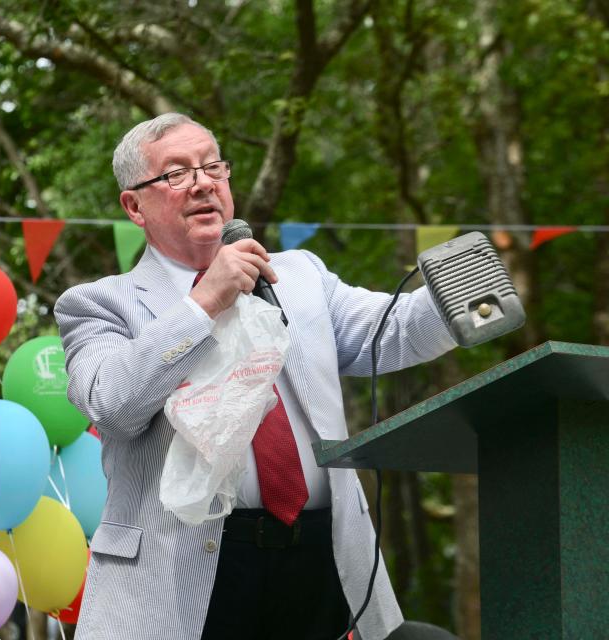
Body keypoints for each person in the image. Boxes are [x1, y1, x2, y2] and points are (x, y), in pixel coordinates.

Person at [54, 113, 456, 640]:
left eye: (212, 167)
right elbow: (113, 405)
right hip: (185, 570)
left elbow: (394, 330)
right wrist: (203, 304)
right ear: (134, 206)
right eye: (176, 174)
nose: (202, 183)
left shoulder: (300, 276)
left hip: (320, 553)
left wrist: (467, 291)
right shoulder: (98, 304)